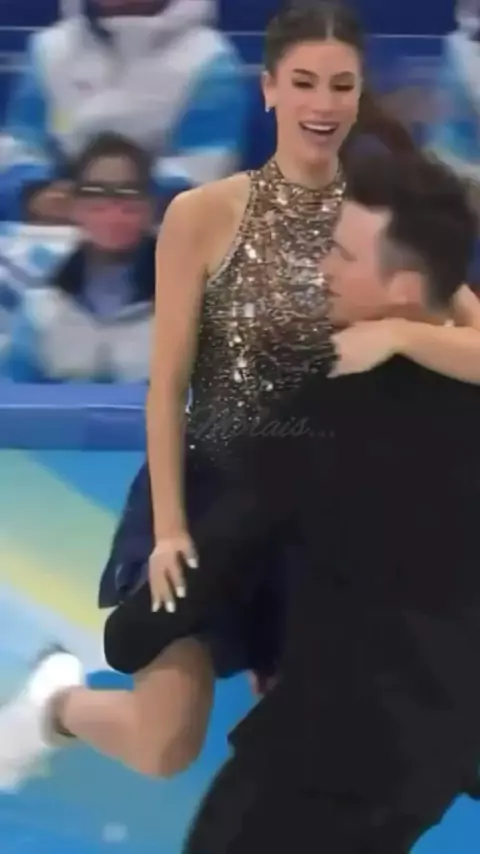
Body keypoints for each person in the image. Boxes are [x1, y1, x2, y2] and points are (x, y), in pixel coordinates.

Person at [4, 0, 480, 791]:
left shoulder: (384, 220)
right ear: (268, 88)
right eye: (304, 82)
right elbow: (167, 386)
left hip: (322, 510)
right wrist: (167, 529)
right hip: (205, 494)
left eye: (341, 85)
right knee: (163, 745)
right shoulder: (202, 214)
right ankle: (58, 701)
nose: (322, 104)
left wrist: (401, 334)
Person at [0, 0, 246, 222]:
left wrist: (126, 203)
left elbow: (206, 164)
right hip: (50, 230)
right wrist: (33, 192)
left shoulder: (209, 58)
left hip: (162, 232)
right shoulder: (48, 49)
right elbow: (21, 143)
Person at [3, 133, 155, 382]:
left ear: (150, 207)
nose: (112, 205)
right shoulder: (41, 309)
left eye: (128, 191)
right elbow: (13, 392)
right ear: (75, 206)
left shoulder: (192, 306)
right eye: (95, 192)